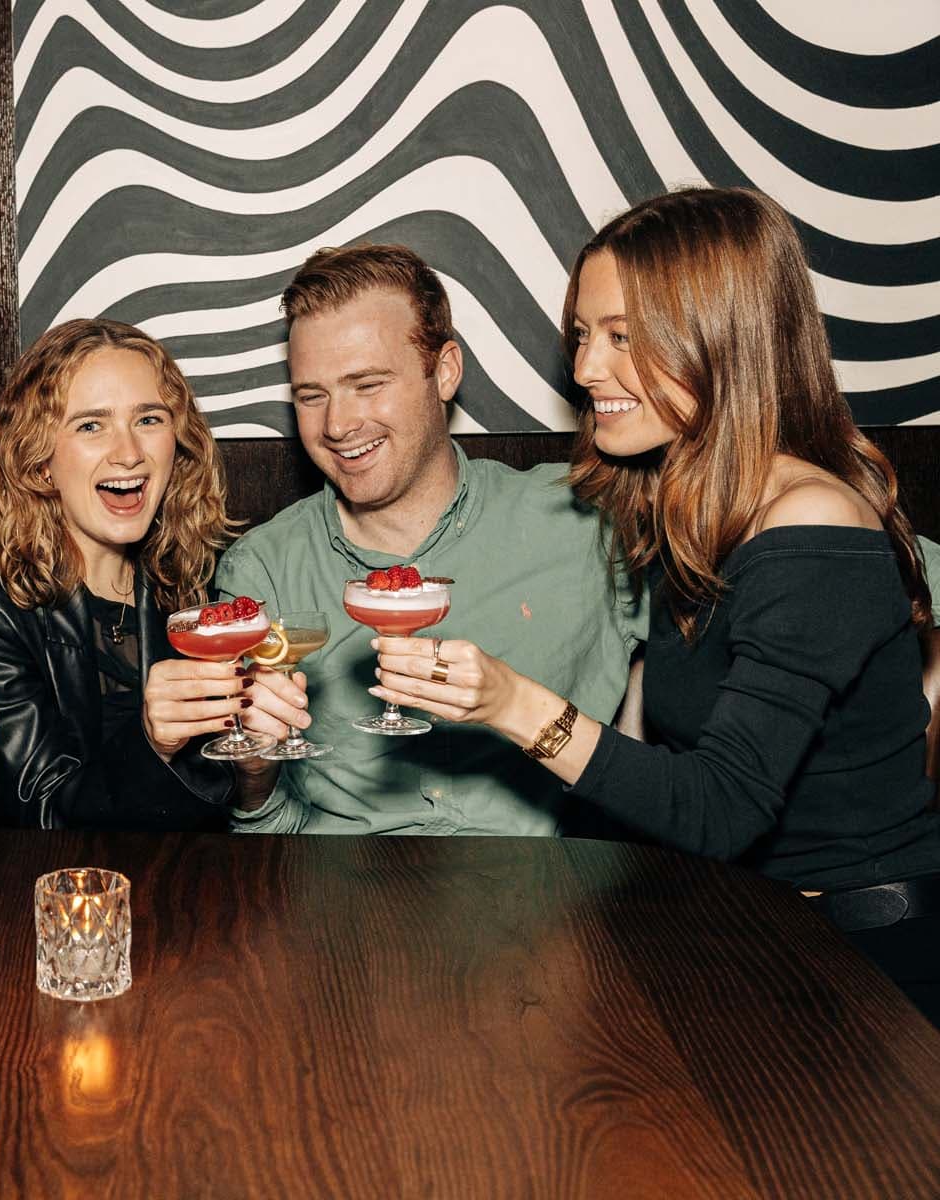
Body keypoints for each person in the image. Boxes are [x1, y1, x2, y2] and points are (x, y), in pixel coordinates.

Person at [365, 188, 940, 1017]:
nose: (587, 367)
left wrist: (513, 704)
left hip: (861, 976)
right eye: (585, 335)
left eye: (624, 337)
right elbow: (649, 773)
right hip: (740, 935)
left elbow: (721, 809)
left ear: (721, 339)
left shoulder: (813, 522)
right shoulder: (696, 511)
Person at [219, 244, 648, 836]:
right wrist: (254, 771)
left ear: (445, 371)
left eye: (367, 384)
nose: (338, 425)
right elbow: (267, 831)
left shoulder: (587, 521)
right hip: (344, 903)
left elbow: (693, 749)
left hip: (547, 900)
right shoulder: (261, 571)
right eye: (311, 396)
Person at [0, 318, 251, 829]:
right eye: (90, 425)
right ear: (39, 462)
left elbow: (230, 791)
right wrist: (152, 745)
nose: (128, 452)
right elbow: (40, 814)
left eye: (149, 419)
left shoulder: (201, 576)